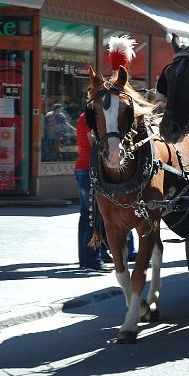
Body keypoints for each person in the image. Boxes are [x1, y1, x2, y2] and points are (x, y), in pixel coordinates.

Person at [74, 111, 111, 271]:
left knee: (87, 215)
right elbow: (92, 142)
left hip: (83, 168)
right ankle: (92, 260)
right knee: (92, 216)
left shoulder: (83, 116)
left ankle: (87, 259)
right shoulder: (90, 117)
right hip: (89, 169)